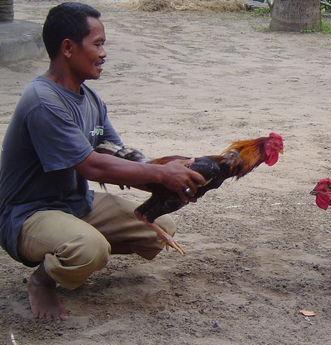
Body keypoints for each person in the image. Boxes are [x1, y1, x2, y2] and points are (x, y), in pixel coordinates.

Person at [0, 2, 206, 321]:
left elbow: (117, 154)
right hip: (29, 212)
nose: (104, 52)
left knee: (160, 226)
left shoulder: (91, 100)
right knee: (89, 248)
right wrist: (160, 173)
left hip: (76, 203)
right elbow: (92, 166)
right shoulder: (43, 101)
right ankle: (43, 281)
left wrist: (167, 168)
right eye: (98, 44)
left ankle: (77, 250)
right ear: (68, 48)